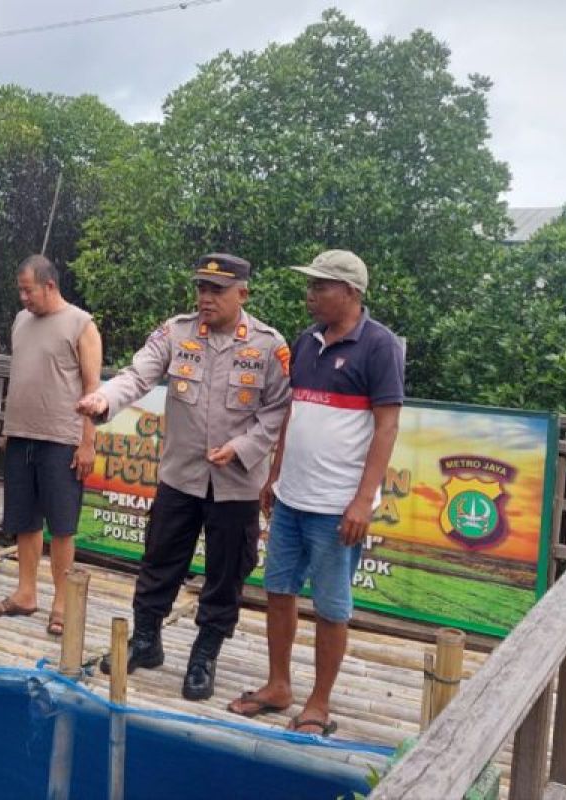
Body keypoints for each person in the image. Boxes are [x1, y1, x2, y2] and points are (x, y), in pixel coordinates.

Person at [75, 253, 291, 700]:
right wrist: (103, 401)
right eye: (201, 288)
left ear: (242, 293)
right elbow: (137, 376)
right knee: (160, 559)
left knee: (226, 572)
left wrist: (243, 448)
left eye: (217, 290)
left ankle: (204, 653)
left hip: (236, 483)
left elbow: (278, 410)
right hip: (180, 474)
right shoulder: (177, 332)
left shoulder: (270, 346)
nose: (206, 298)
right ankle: (146, 640)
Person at [226, 250, 404, 736]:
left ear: (351, 292)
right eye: (310, 285)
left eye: (320, 286)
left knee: (330, 606)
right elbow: (292, 414)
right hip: (291, 498)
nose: (310, 295)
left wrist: (362, 501)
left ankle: (318, 703)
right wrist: (274, 476)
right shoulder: (306, 343)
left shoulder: (379, 346)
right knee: (277, 590)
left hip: (336, 507)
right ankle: (278, 685)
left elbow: (387, 427)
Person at [0, 255, 102, 636]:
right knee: (23, 520)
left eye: (27, 290)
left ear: (49, 285)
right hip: (21, 436)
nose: (22, 297)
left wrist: (87, 443)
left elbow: (93, 388)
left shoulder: (82, 324)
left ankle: (61, 604)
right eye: (20, 290)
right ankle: (25, 593)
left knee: (62, 526)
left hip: (62, 439)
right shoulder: (21, 321)